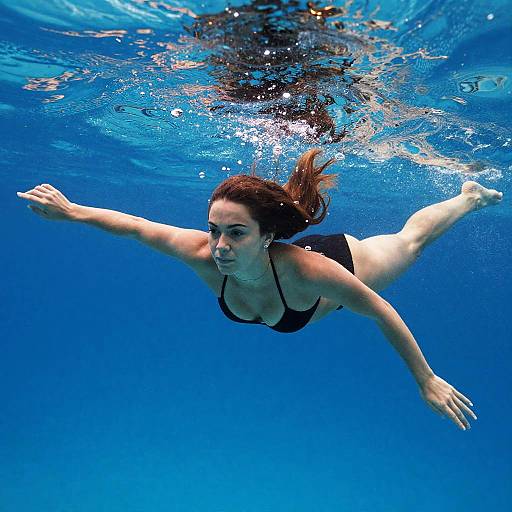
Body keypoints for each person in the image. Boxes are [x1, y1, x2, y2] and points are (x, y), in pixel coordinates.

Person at [17, 148, 503, 431]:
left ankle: (466, 198)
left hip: (338, 263)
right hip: (287, 280)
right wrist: (73, 211)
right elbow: (137, 226)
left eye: (235, 232)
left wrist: (425, 379)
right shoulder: (202, 254)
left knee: (409, 243)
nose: (220, 245)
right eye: (213, 229)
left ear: (266, 235)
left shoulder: (312, 273)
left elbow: (379, 310)